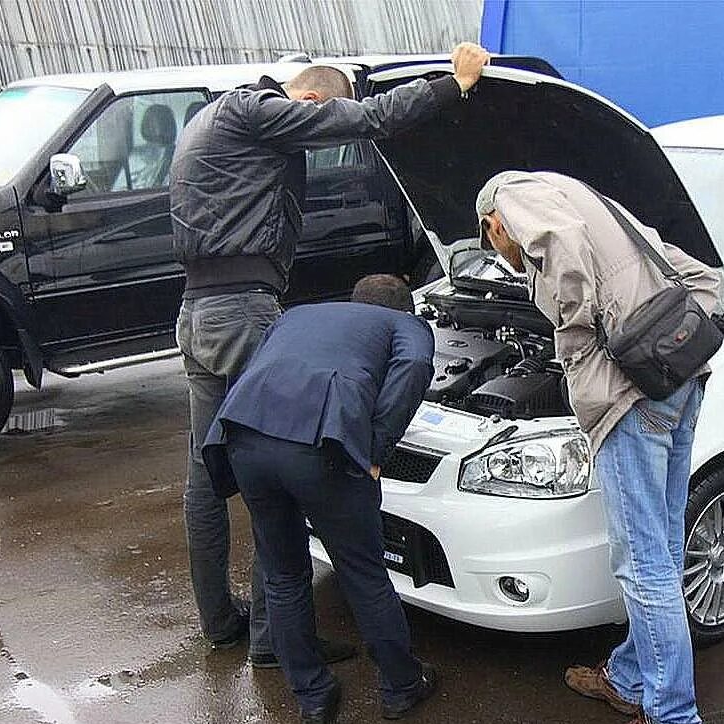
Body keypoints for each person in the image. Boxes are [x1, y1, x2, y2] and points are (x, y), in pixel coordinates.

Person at [170, 43, 490, 663]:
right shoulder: (255, 112)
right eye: (320, 121)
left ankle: (221, 620)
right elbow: (368, 119)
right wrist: (455, 86)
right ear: (312, 101)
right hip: (242, 312)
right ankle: (275, 640)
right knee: (279, 470)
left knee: (207, 476)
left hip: (197, 312)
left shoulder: (209, 121)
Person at [475, 172, 721, 724]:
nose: (507, 258)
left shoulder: (512, 196)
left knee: (640, 562)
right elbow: (694, 271)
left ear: (492, 224)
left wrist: (581, 337)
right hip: (678, 377)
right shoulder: (599, 203)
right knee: (659, 546)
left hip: (629, 395)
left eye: (498, 249)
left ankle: (671, 722)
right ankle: (634, 676)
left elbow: (561, 253)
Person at [201, 274, 436, 724]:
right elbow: (411, 370)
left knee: (284, 574)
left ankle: (312, 694)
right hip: (320, 447)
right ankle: (401, 685)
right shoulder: (405, 325)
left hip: (244, 436)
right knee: (362, 571)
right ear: (403, 308)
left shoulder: (300, 314)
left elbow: (256, 367)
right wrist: (374, 450)